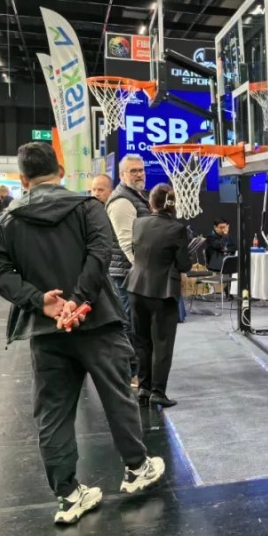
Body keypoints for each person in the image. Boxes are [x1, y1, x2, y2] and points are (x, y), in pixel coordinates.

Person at [0, 142, 165, 526]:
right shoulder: (87, 207)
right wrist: (79, 302)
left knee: (53, 412)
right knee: (117, 395)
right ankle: (137, 467)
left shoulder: (8, 220)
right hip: (97, 322)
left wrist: (42, 301)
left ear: (23, 179)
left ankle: (68, 495)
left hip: (46, 329)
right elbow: (100, 255)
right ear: (62, 171)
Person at [126, 184, 191, 407]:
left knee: (142, 340)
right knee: (162, 343)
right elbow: (184, 264)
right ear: (173, 205)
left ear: (151, 203)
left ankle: (144, 388)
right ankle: (158, 391)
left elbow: (136, 252)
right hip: (163, 291)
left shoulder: (138, 223)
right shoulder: (177, 229)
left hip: (136, 287)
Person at [106, 155, 151, 381]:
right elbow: (126, 242)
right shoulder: (122, 201)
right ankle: (130, 373)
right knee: (129, 324)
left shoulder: (137, 196)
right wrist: (143, 270)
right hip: (127, 273)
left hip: (134, 273)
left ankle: (136, 372)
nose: (139, 174)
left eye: (141, 170)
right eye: (133, 171)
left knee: (137, 324)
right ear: (122, 174)